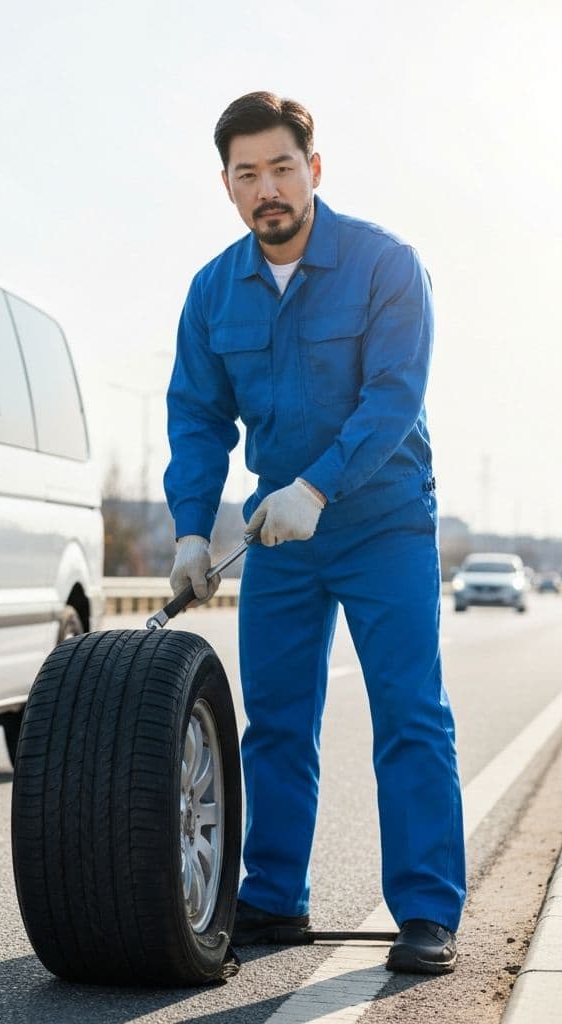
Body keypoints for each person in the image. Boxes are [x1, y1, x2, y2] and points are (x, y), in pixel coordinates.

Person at [164, 91, 465, 975]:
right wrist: (190, 532)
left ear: (315, 169)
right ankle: (274, 897)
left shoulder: (385, 265)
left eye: (282, 167)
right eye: (247, 173)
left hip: (384, 525)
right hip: (279, 540)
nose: (268, 189)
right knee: (276, 721)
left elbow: (394, 395)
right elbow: (196, 417)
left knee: (409, 715)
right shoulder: (213, 291)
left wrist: (319, 488)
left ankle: (425, 911)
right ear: (226, 185)